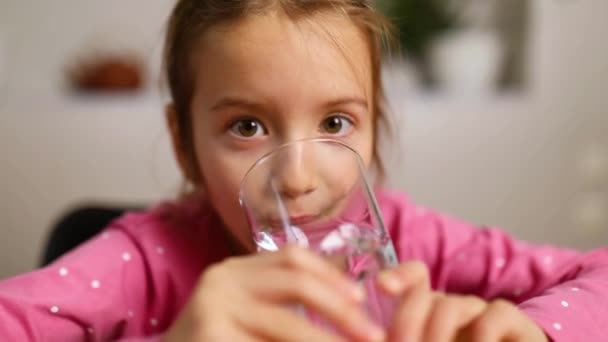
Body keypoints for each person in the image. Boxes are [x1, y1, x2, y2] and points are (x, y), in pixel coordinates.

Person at [1, 1, 607, 341]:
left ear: (375, 133)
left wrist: (537, 333)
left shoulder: (416, 243)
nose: (296, 178)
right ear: (184, 145)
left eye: (337, 125)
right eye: (247, 127)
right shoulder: (146, 262)